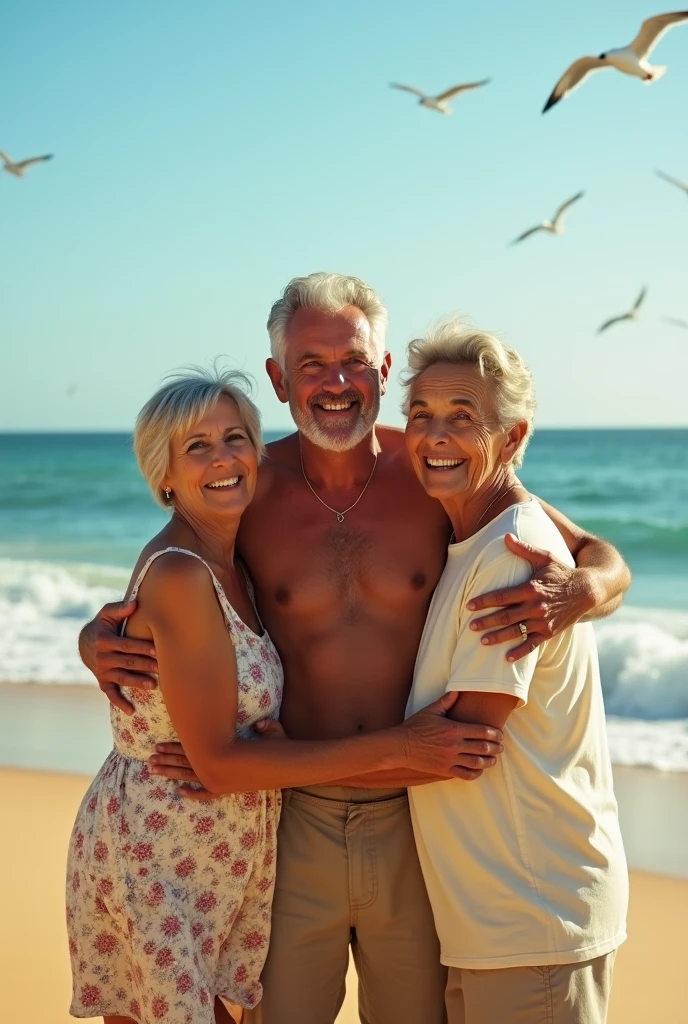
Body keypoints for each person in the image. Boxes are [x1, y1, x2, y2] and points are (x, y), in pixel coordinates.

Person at [79, 274, 631, 1024]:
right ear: (277, 379)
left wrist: (584, 592)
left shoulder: (435, 468)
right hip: (290, 817)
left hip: (416, 816)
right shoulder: (246, 483)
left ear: (381, 372)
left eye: (353, 362)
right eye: (311, 364)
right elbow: (179, 590)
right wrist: (98, 640)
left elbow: (593, 549)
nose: (335, 383)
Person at [67, 366, 503, 1024]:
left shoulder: (230, 556)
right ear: (162, 473)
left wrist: (590, 583)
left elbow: (531, 514)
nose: (224, 458)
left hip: (229, 849)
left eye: (236, 437)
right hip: (165, 850)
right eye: (197, 447)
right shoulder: (185, 573)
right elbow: (216, 762)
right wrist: (401, 747)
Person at [402, 319, 628, 1024]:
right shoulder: (471, 528)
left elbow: (454, 751)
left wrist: (254, 764)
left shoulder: (512, 557)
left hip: (537, 918)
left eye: (462, 419)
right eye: (420, 415)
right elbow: (592, 546)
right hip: (495, 921)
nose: (435, 435)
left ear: (514, 437)